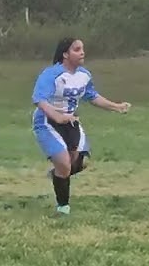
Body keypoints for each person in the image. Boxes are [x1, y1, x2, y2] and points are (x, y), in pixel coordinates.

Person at [32, 38, 131, 216]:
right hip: (48, 122)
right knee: (64, 164)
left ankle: (58, 175)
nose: (82, 52)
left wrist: (116, 106)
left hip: (71, 122)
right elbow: (40, 100)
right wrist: (58, 116)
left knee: (81, 163)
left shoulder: (84, 75)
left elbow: (92, 96)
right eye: (77, 49)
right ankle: (63, 208)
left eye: (82, 49)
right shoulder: (51, 74)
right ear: (65, 54)